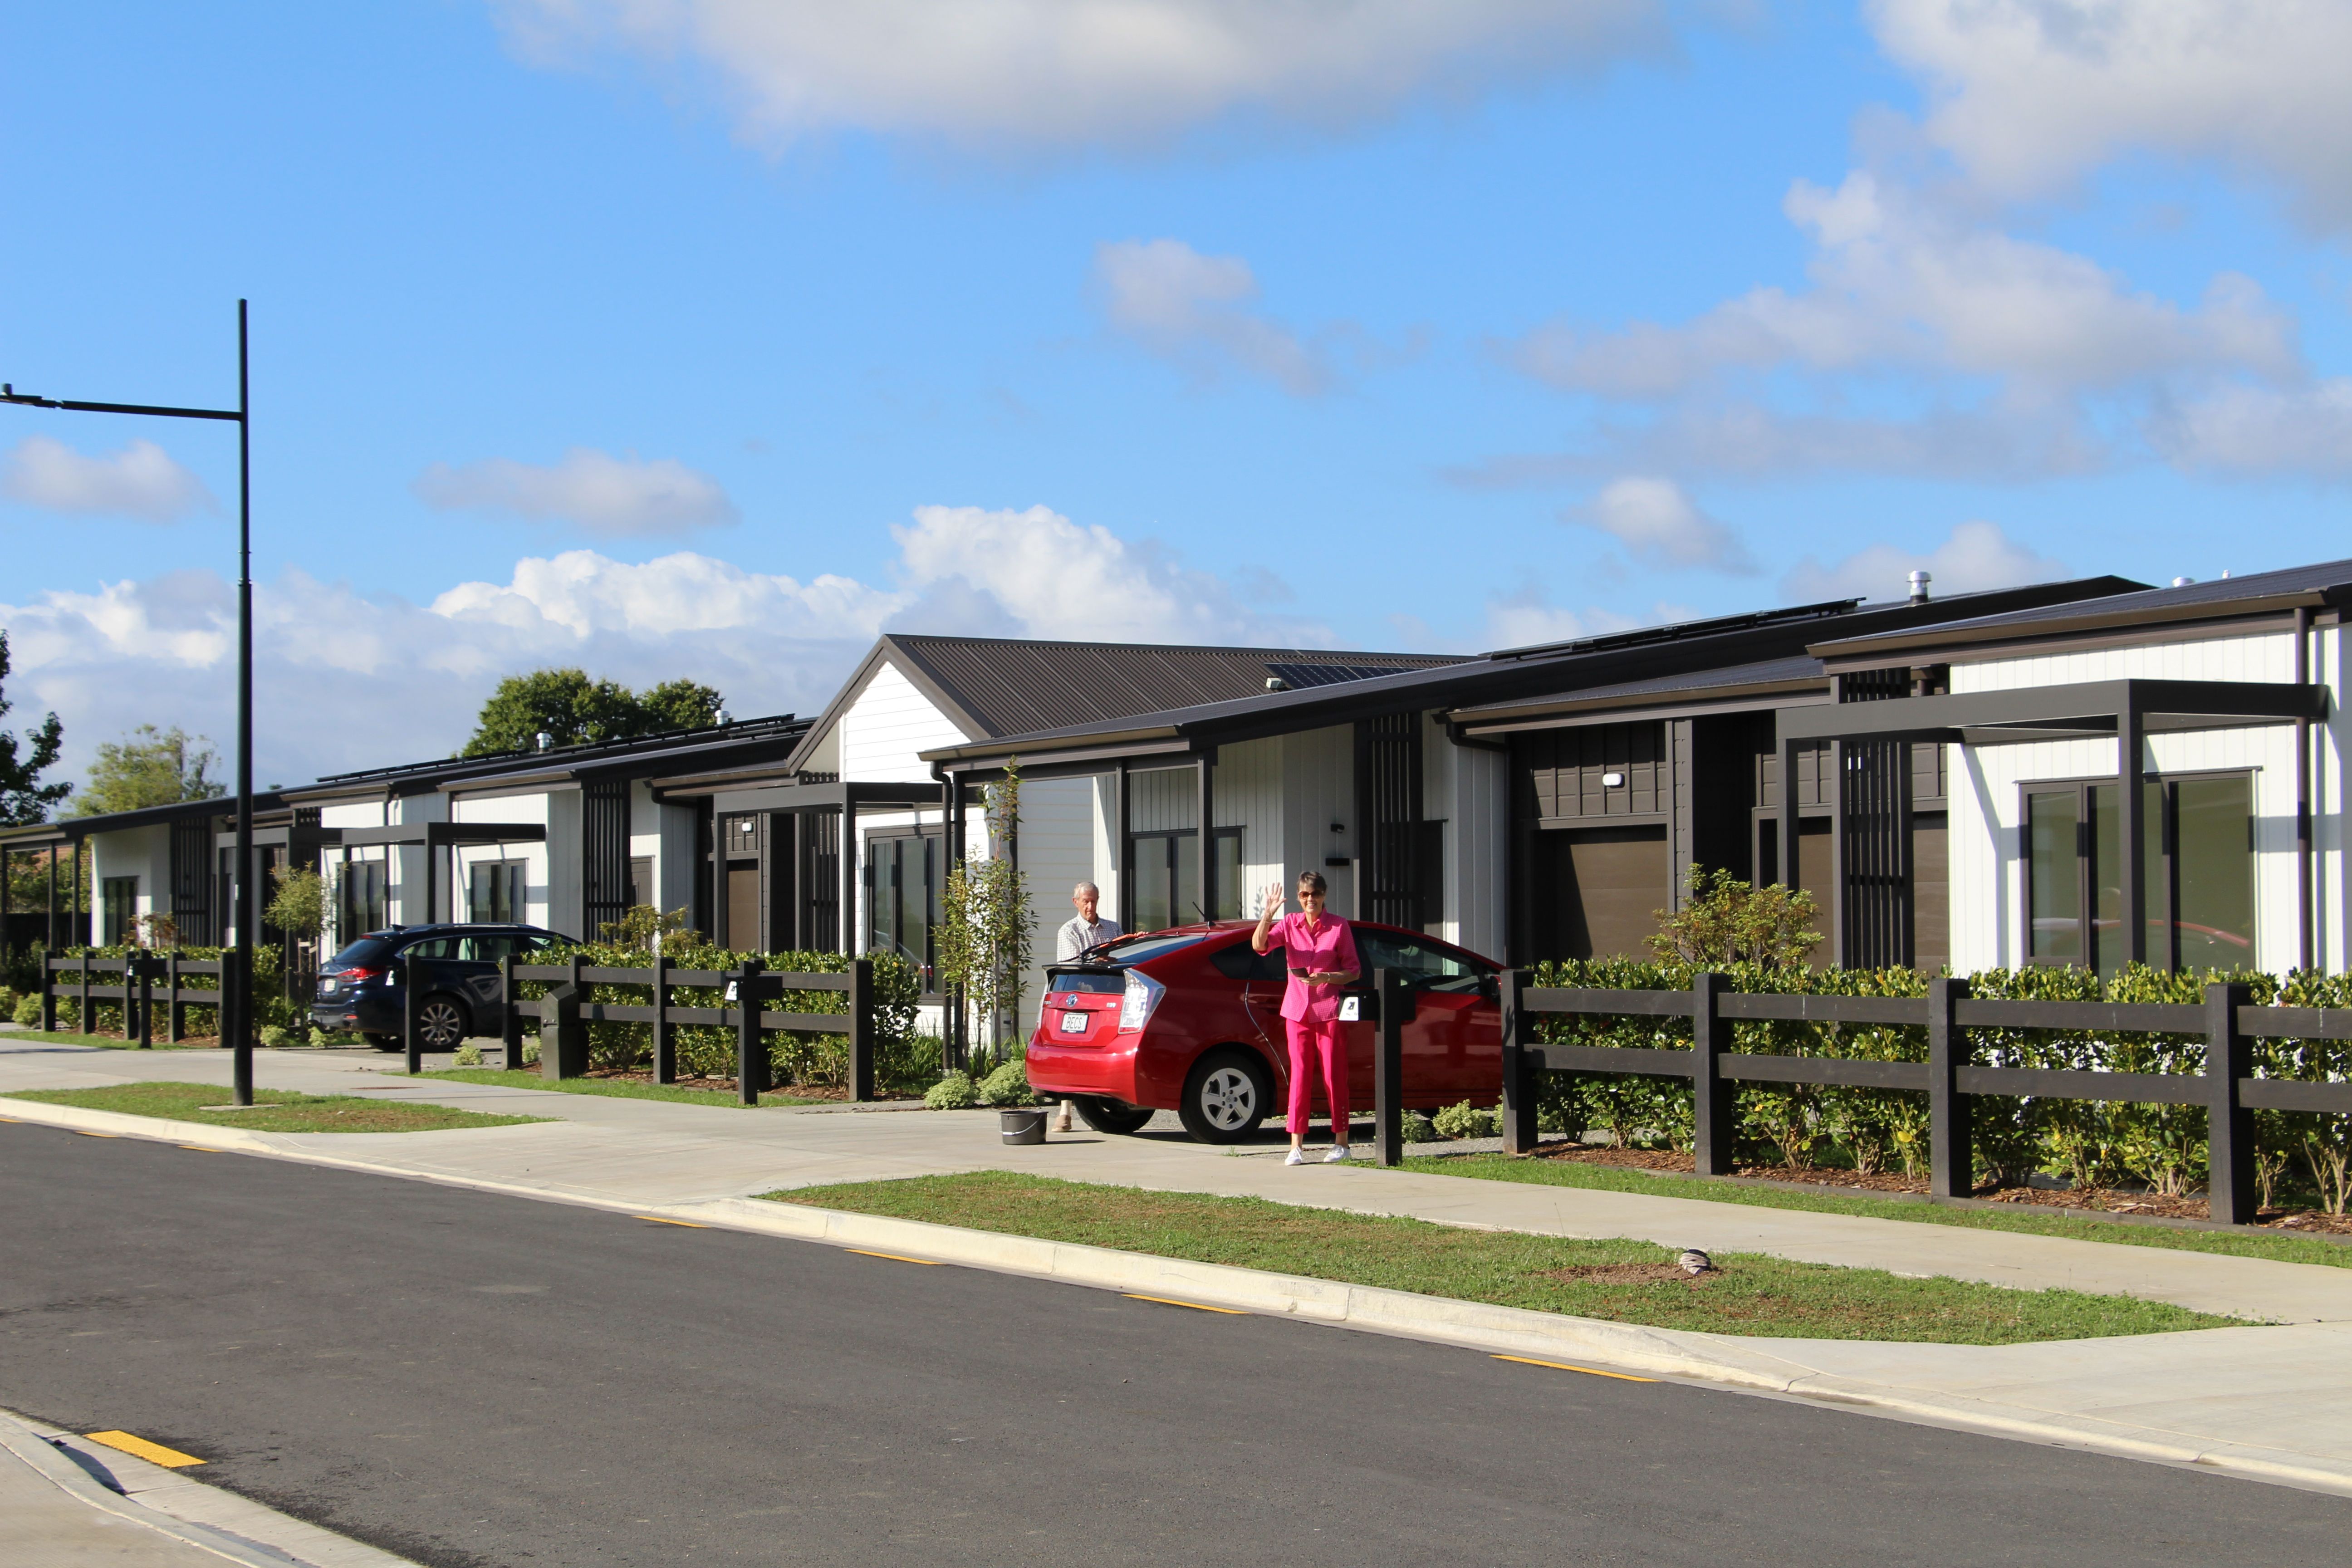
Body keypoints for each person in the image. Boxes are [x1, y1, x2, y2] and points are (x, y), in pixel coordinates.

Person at [1251, 870, 1361, 1165]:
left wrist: (1327, 977)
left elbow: (1353, 970)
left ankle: (1342, 1143)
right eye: (1305, 895)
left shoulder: (1339, 926)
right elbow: (1260, 945)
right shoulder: (1289, 923)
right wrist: (1268, 915)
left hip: (1329, 1010)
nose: (1311, 899)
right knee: (1299, 1076)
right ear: (1299, 897)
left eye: (1316, 894)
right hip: (1297, 1011)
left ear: (1324, 895)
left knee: (1334, 1076)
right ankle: (1295, 1146)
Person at [1052, 882, 1122, 1131]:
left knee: (1101, 1054)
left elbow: (1122, 958)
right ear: (1076, 903)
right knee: (1071, 1055)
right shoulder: (1069, 931)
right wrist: (1100, 960)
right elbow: (1073, 966)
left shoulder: (1113, 928)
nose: (1090, 906)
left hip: (1108, 998)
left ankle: (1098, 1112)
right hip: (1077, 1000)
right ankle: (1065, 1111)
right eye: (1086, 901)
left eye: (1094, 901)